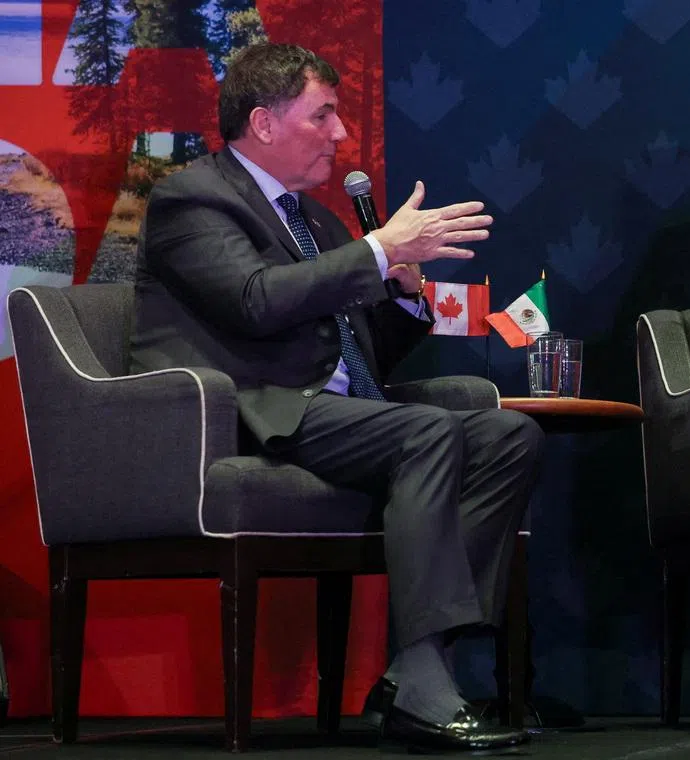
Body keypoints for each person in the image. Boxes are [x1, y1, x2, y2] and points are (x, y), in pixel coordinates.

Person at [129, 42, 542, 753]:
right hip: (254, 408)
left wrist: (403, 295)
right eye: (323, 115)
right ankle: (421, 683)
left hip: (336, 410)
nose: (342, 135)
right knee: (427, 433)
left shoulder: (314, 221)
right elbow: (256, 304)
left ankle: (417, 668)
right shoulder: (192, 199)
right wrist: (378, 251)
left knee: (508, 435)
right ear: (263, 122)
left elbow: (353, 350)